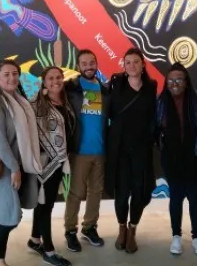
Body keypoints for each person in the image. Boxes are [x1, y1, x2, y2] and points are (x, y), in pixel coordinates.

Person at [0, 59, 42, 266]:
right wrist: (14, 168)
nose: (12, 78)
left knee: (5, 214)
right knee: (11, 216)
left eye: (15, 73)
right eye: (6, 74)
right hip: (1, 167)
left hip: (16, 165)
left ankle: (0, 258)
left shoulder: (18, 100)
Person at [105, 47, 157, 254]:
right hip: (119, 149)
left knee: (140, 191)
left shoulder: (151, 86)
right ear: (124, 65)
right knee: (121, 192)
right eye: (128, 62)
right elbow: (106, 111)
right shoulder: (116, 84)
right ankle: (121, 229)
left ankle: (132, 228)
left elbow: (154, 116)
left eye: (136, 62)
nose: (132, 66)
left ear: (143, 64)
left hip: (141, 149)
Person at [156, 62, 197, 256]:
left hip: (196, 156)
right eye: (170, 80)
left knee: (196, 199)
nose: (174, 83)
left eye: (179, 79)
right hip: (172, 159)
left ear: (186, 82)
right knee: (176, 199)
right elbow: (155, 130)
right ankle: (176, 236)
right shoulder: (161, 102)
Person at [27, 66, 76, 266]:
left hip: (60, 161)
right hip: (45, 162)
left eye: (58, 77)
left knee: (46, 203)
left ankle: (34, 239)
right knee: (45, 205)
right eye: (50, 78)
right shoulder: (37, 104)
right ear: (44, 82)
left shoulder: (66, 101)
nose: (55, 81)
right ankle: (48, 250)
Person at [63, 49, 110, 252]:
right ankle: (70, 231)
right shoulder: (70, 87)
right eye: (84, 63)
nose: (89, 66)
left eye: (92, 62)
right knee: (76, 192)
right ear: (78, 65)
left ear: (96, 63)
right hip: (79, 151)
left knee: (96, 192)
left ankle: (89, 228)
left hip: (100, 150)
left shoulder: (105, 89)